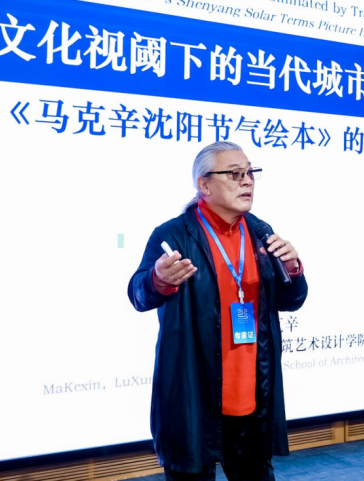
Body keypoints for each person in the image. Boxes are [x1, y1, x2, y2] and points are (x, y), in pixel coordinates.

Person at [127, 141, 308, 481]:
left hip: (253, 395)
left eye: (251, 173)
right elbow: (138, 295)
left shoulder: (260, 233)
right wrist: (157, 280)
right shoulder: (173, 235)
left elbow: (292, 300)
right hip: (194, 396)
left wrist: (293, 270)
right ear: (204, 185)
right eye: (235, 174)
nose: (247, 181)